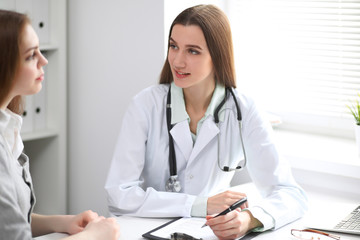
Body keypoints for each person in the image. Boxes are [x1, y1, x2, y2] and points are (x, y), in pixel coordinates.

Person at [105, 4, 308, 239]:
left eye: (193, 51)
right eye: (174, 46)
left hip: (207, 232)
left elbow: (291, 194)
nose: (177, 61)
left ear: (217, 55)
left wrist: (248, 220)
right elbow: (119, 195)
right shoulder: (145, 105)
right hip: (145, 231)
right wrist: (200, 204)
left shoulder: (244, 110)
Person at [0, 9, 120, 240]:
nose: (44, 60)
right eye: (30, 56)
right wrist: (94, 236)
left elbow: (9, 223)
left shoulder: (7, 126)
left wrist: (62, 222)